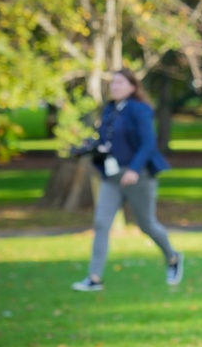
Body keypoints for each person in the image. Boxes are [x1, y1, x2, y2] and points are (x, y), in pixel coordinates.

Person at [71, 68, 183, 292]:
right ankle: (94, 278)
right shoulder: (110, 110)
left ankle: (173, 257)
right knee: (101, 224)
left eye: (120, 83)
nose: (114, 86)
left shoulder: (140, 109)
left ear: (132, 87)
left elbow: (148, 143)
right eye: (113, 83)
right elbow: (107, 141)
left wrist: (134, 169)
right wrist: (90, 148)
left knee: (146, 224)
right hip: (111, 177)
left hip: (138, 177)